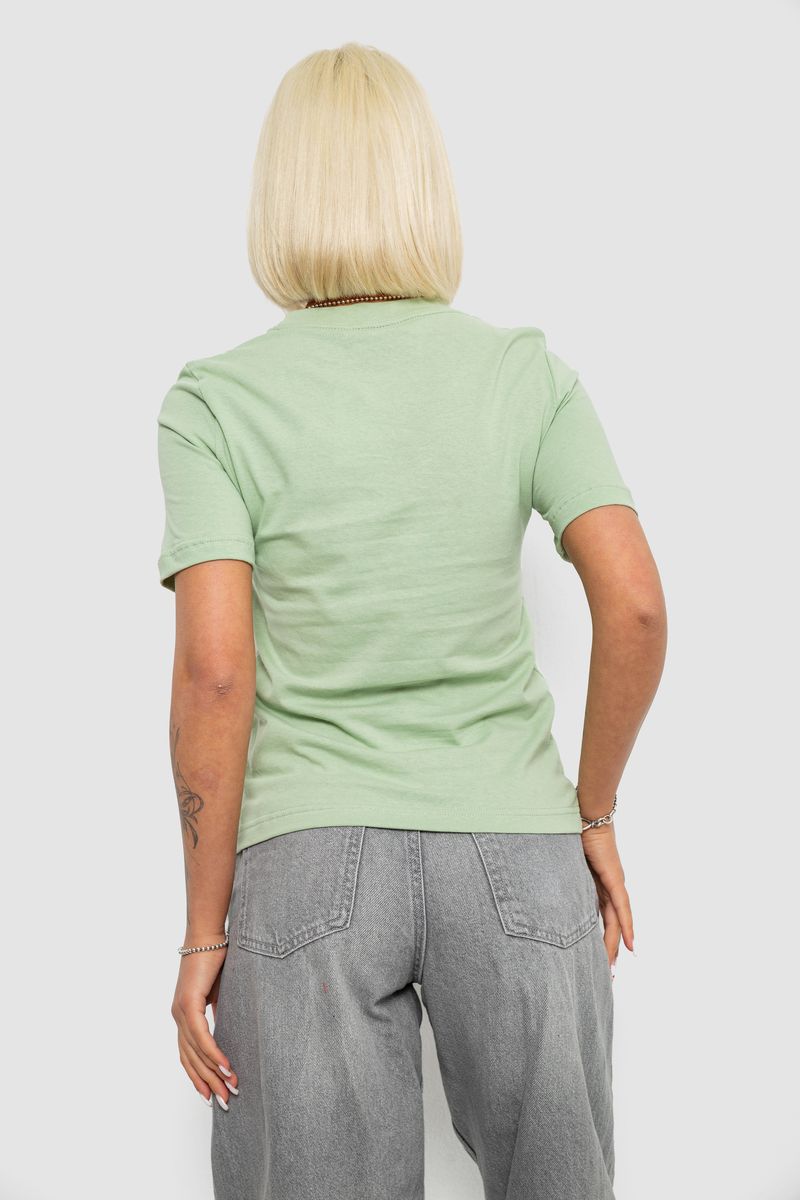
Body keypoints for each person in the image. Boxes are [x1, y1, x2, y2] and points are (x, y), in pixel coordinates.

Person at [156, 42, 667, 1200]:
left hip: (305, 858)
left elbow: (214, 675)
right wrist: (591, 810)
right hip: (517, 848)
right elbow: (634, 604)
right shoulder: (524, 375)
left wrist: (201, 934)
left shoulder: (216, 402)